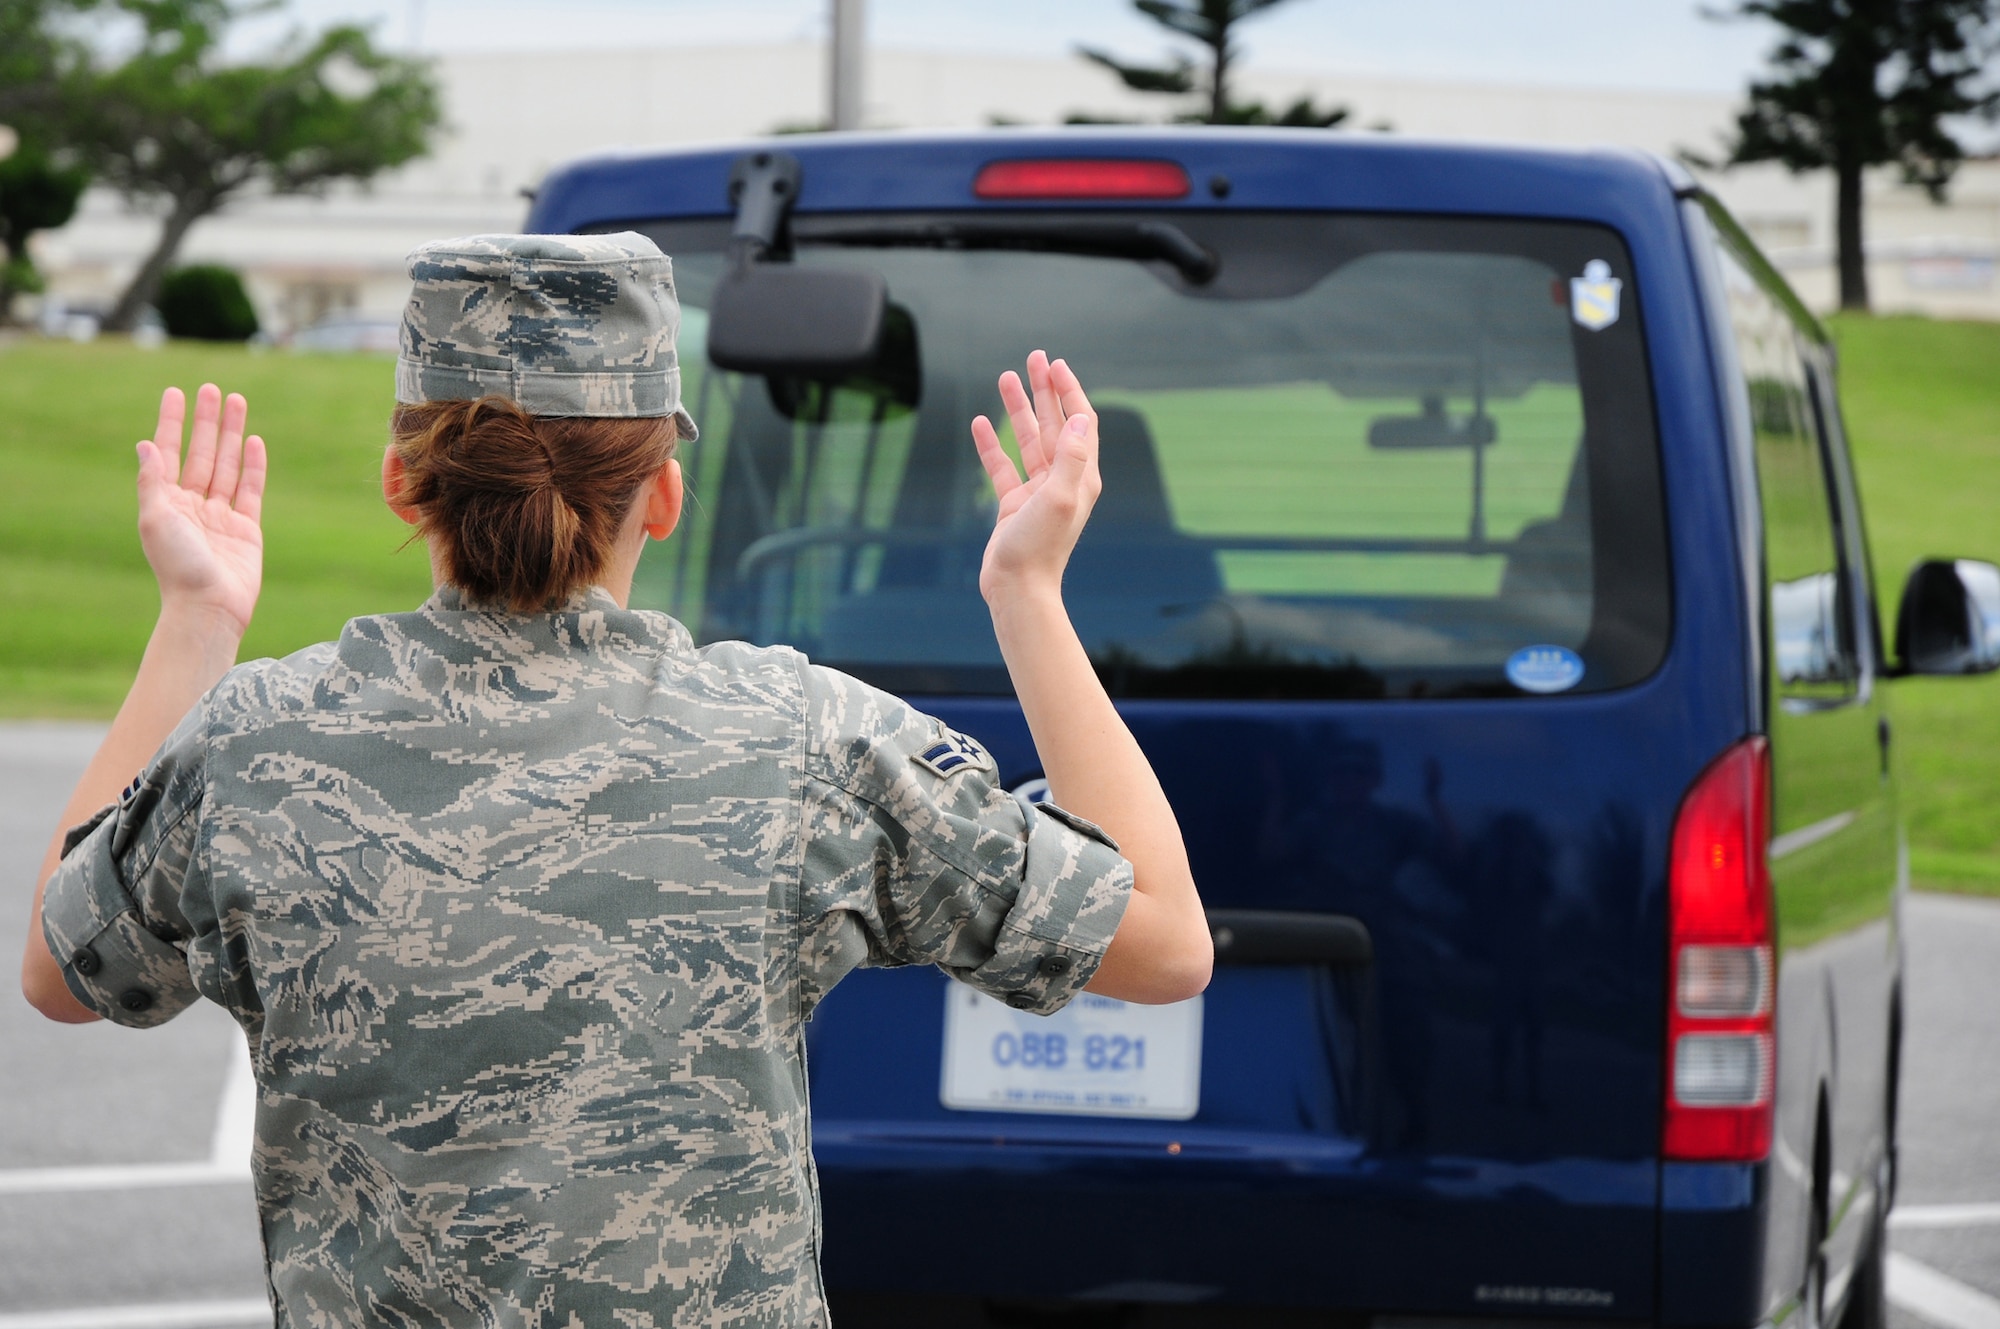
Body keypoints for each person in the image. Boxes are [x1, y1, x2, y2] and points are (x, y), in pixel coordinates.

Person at [19, 232, 1211, 1327]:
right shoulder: (801, 743)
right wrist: (1028, 594)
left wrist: (196, 619)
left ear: (405, 484)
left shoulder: (257, 746)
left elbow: (61, 972)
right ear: (664, 490)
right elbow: (1163, 946)